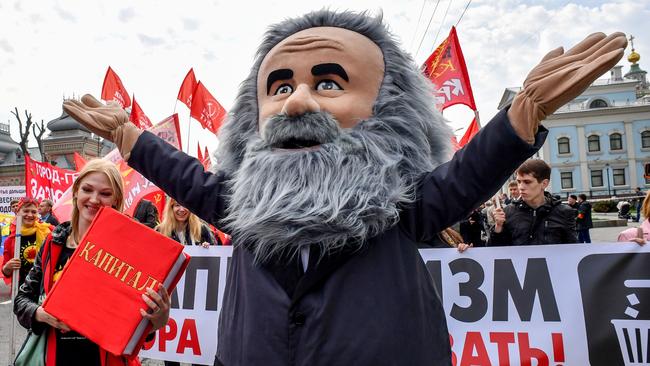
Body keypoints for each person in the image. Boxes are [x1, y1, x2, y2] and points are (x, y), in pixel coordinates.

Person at [63, 10, 626, 365]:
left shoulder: (403, 207)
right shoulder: (241, 207)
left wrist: (520, 118)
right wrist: (127, 136)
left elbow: (466, 175)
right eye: (279, 86)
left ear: (389, 109)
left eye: (329, 82)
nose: (299, 102)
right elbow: (185, 177)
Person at [13, 159, 171, 366]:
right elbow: (22, 300)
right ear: (76, 191)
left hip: (108, 359)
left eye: (105, 193)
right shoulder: (54, 243)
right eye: (87, 189)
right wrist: (41, 314)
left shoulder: (131, 249)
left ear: (116, 199)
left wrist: (156, 322)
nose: (94, 199)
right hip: (57, 357)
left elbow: (137, 330)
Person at [490, 159, 578, 246]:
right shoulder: (508, 212)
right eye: (519, 182)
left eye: (527, 182)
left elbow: (573, 250)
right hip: (519, 260)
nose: (521, 187)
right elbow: (496, 252)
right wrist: (498, 228)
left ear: (544, 183)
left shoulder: (564, 212)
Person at [2, 198, 52, 287]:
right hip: (22, 288)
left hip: (44, 287)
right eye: (26, 211)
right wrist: (7, 267)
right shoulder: (10, 240)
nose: (30, 215)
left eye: (33, 212)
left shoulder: (48, 232)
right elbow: (6, 272)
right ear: (17, 213)